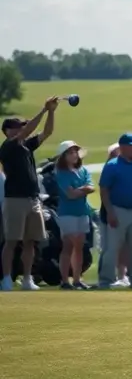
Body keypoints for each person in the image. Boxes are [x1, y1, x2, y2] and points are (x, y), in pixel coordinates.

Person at [1, 97, 59, 291]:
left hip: (33, 199)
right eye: (18, 127)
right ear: (8, 131)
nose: (22, 129)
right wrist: (43, 110)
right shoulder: (8, 146)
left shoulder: (26, 146)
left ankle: (27, 279)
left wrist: (51, 112)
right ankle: (6, 279)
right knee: (11, 241)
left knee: (30, 242)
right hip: (14, 200)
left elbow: (47, 132)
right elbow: (27, 131)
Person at [98, 133, 132, 290]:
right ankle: (105, 280)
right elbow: (104, 190)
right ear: (123, 147)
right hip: (118, 209)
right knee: (112, 247)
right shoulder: (112, 165)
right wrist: (110, 211)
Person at [53, 140, 93, 289]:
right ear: (63, 156)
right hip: (67, 213)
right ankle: (65, 280)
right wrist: (83, 189)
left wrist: (79, 190)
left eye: (75, 152)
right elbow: (70, 194)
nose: (74, 155)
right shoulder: (61, 173)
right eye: (70, 152)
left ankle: (77, 279)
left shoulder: (83, 170)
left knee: (79, 246)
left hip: (82, 212)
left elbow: (91, 187)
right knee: (69, 245)